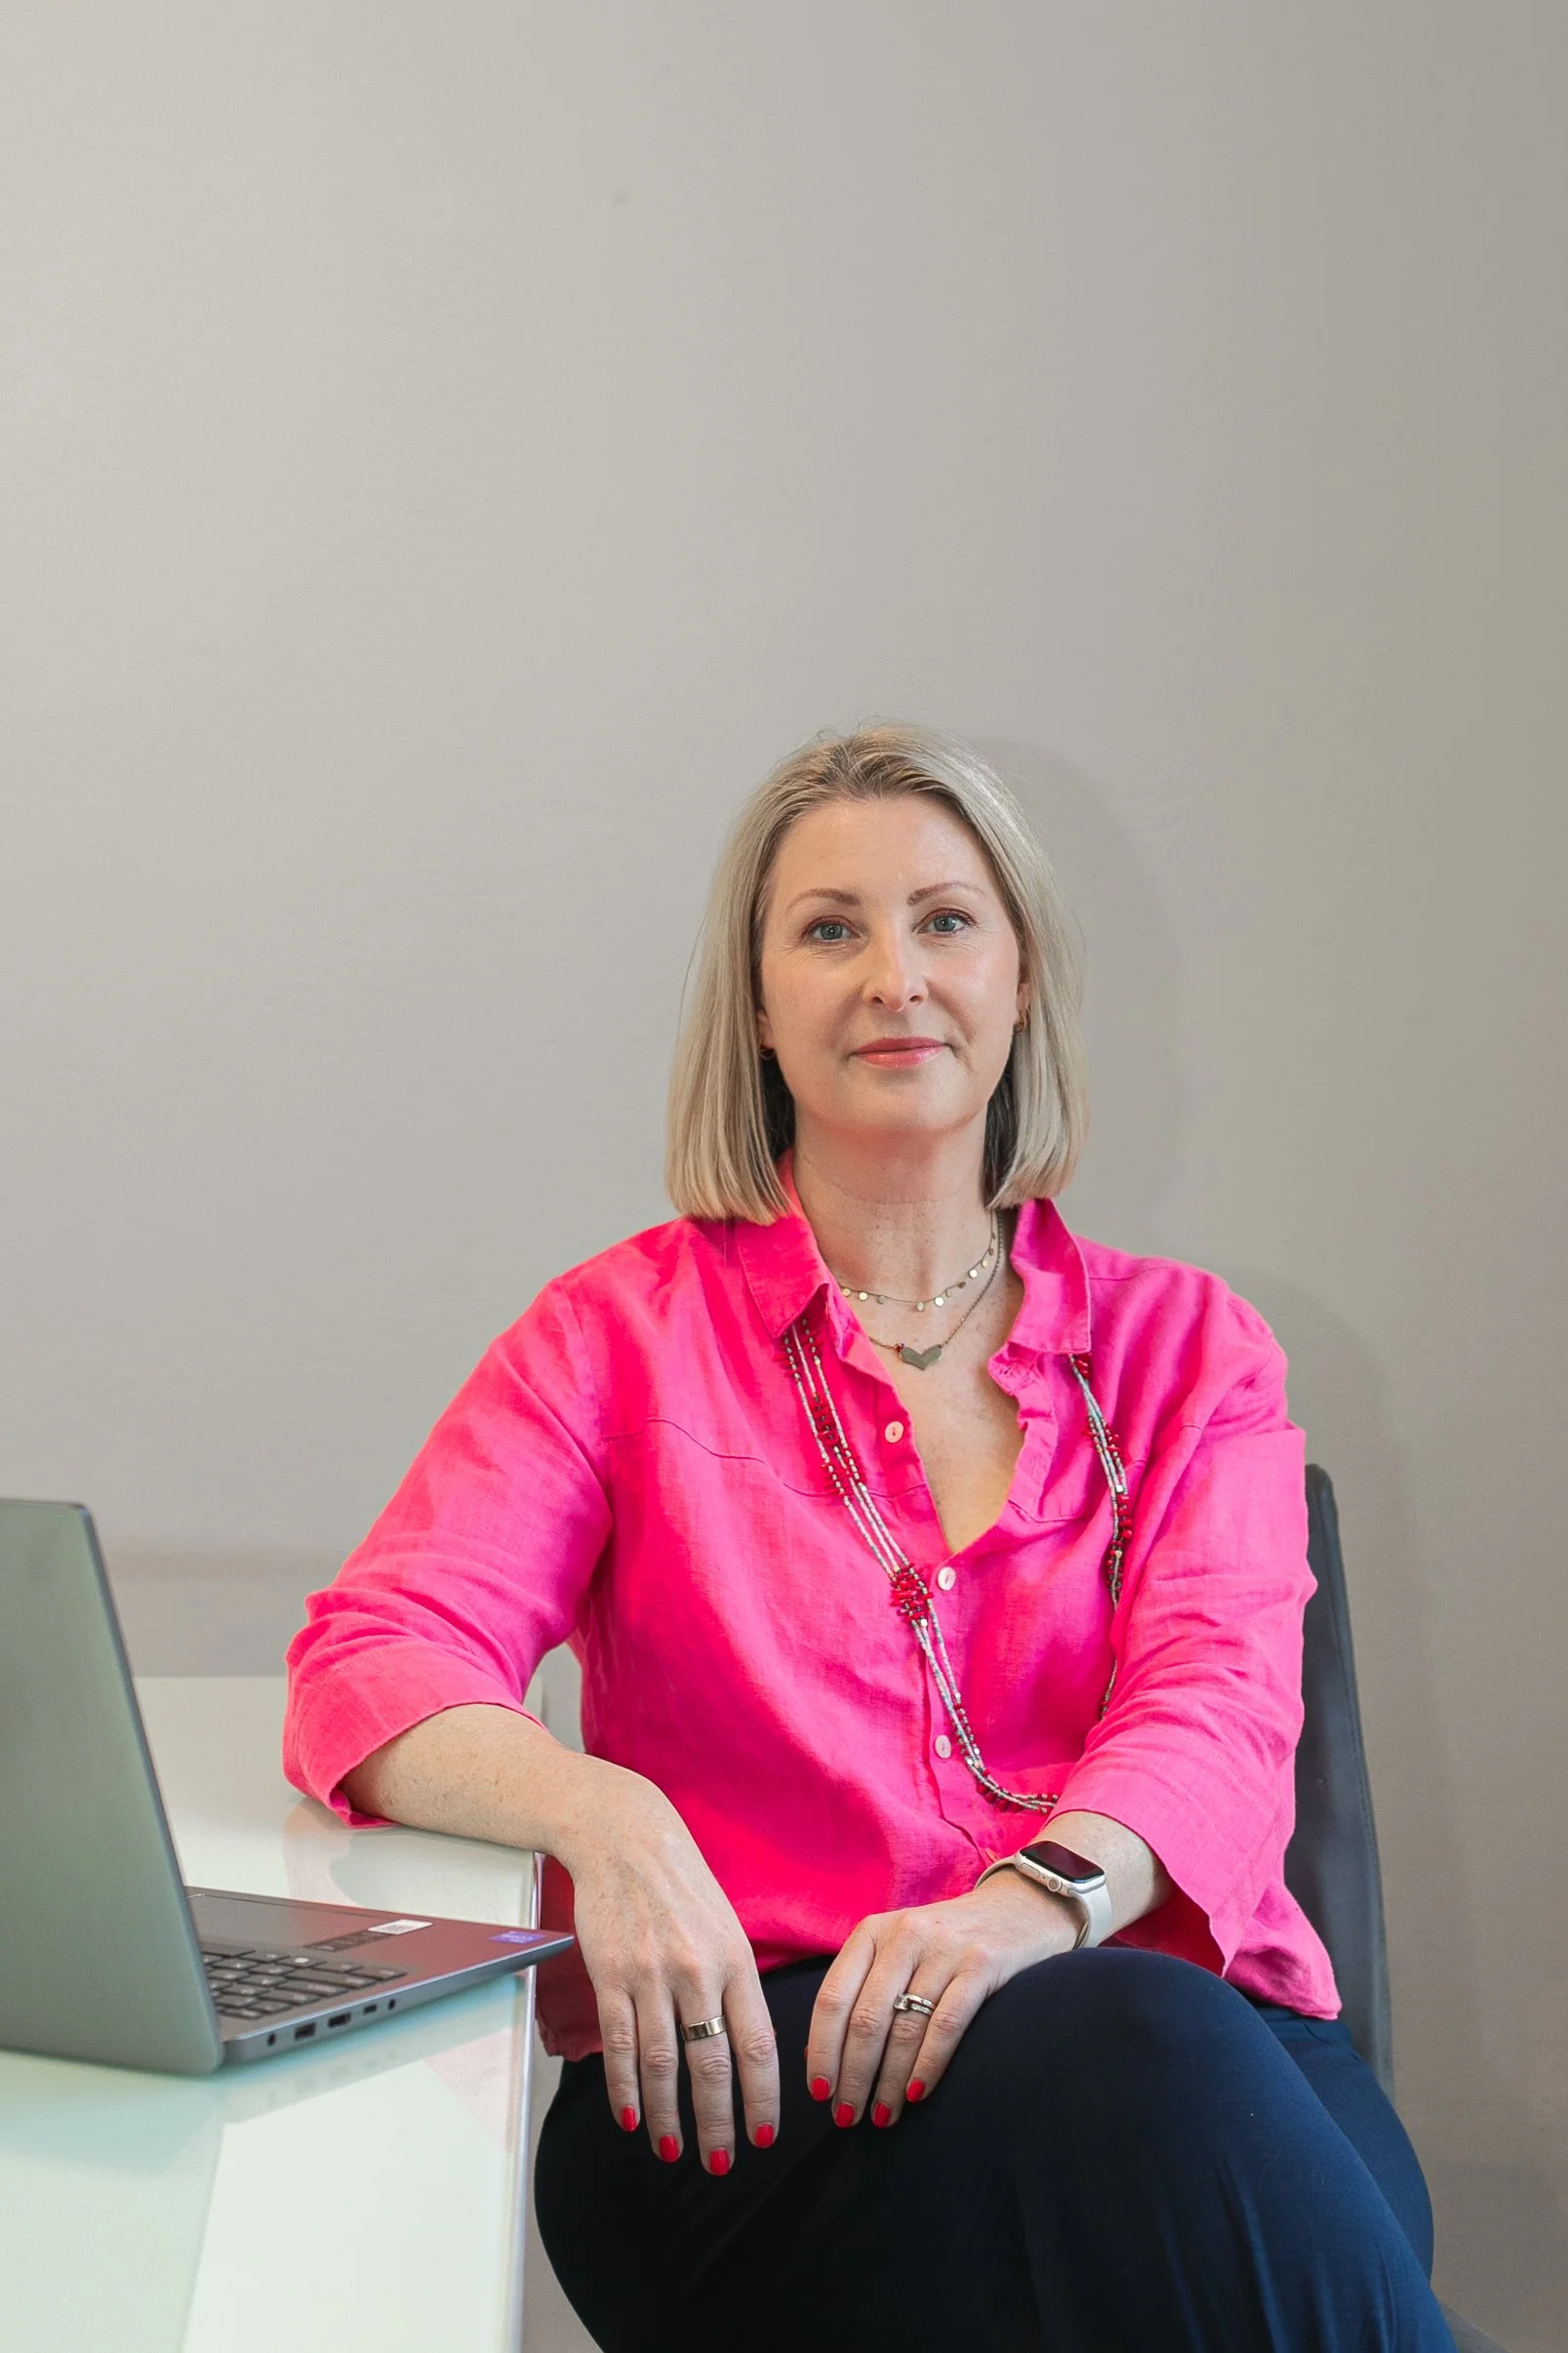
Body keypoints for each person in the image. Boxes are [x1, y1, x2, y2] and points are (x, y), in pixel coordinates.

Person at [283, 726, 1455, 2352]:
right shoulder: (613, 1339)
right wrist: (603, 1814)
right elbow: (372, 1662)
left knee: (1161, 2065)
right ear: (757, 1004)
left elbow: (1222, 1704)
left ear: (1020, 974)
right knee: (1159, 2081)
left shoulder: (1195, 1350)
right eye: (829, 928)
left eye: (945, 920)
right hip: (757, 2096)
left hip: (1174, 2041)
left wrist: (1021, 1912)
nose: (893, 973)